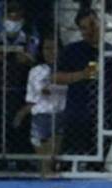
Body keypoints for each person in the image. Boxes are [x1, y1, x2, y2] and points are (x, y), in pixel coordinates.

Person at [0, 2, 39, 170]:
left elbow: (41, 68)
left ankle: (22, 161)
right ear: (3, 19)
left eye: (17, 18)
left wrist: (29, 61)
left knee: (21, 128)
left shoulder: (32, 41)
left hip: (21, 93)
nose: (13, 21)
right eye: (9, 17)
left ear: (23, 20)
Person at [54, 8, 112, 166]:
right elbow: (56, 77)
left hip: (106, 110)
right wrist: (81, 75)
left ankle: (96, 167)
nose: (89, 30)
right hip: (79, 109)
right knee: (70, 156)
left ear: (100, 24)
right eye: (84, 27)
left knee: (98, 156)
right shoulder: (72, 50)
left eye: (92, 25)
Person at [16, 38, 67, 176]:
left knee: (53, 152)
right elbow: (36, 95)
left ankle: (51, 170)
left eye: (53, 48)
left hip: (60, 113)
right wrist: (23, 112)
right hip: (41, 115)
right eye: (46, 49)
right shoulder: (36, 71)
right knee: (44, 154)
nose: (49, 52)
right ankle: (45, 173)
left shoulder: (67, 68)